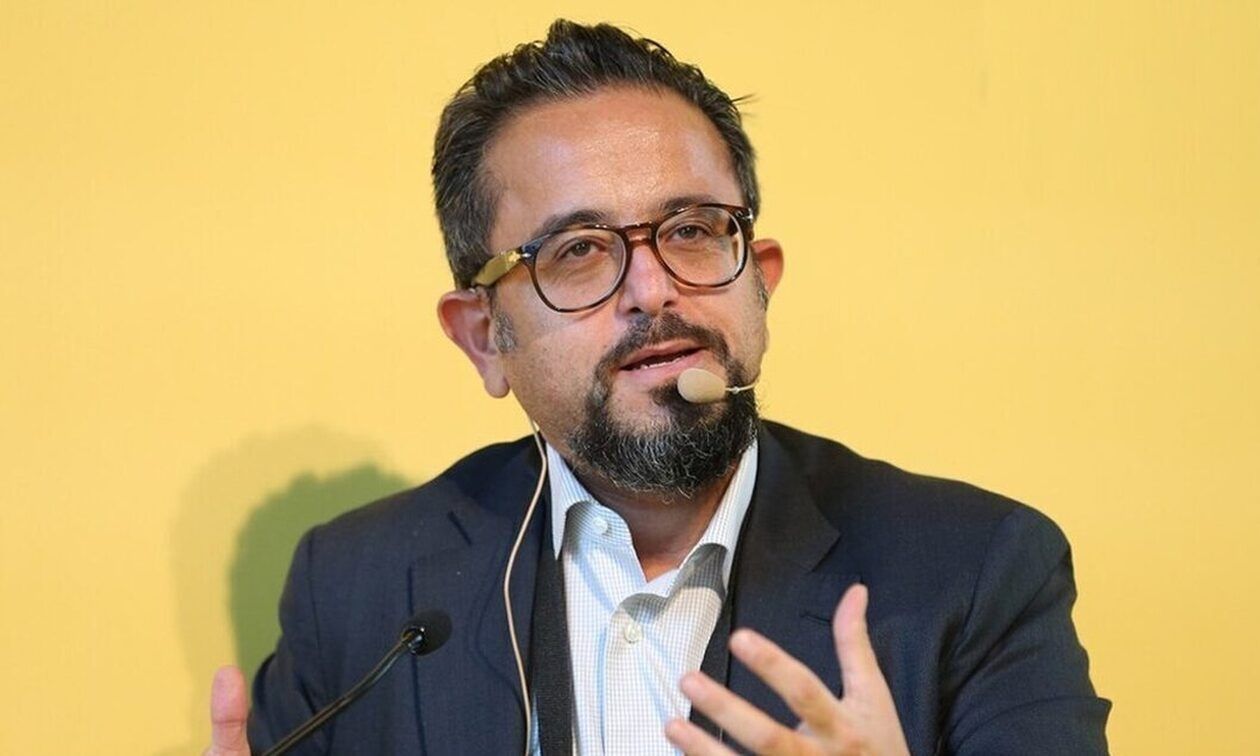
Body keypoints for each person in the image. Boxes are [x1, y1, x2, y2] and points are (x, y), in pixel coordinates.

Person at [205, 20, 1110, 756]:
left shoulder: (975, 570)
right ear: (485, 339)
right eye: (578, 251)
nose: (653, 288)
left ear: (760, 282)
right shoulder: (358, 589)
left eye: (692, 230)